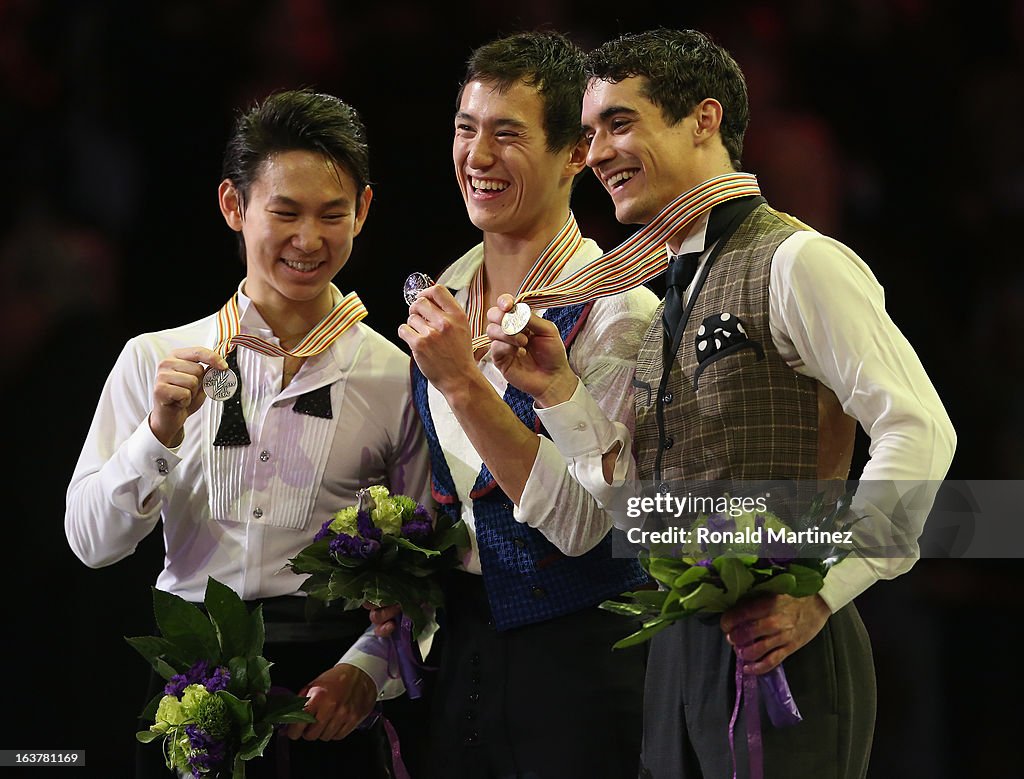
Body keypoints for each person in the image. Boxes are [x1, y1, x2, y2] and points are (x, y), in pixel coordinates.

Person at [485, 28, 956, 779]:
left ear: (704, 120)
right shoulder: (664, 290)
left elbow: (920, 428)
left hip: (786, 639)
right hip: (682, 642)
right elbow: (629, 505)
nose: (598, 153)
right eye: (588, 133)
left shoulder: (798, 261)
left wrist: (824, 592)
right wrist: (560, 394)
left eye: (620, 123)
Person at [65, 89, 430, 778]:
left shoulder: (395, 374)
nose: (309, 239)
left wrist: (367, 667)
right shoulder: (154, 359)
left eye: (332, 214)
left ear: (364, 211)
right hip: (190, 686)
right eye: (285, 212)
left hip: (328, 693)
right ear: (234, 207)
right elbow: (91, 542)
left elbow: (426, 565)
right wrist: (156, 434)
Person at [338, 31, 659, 778]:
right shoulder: (442, 294)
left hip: (582, 666)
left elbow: (585, 526)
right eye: (465, 129)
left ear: (575, 153)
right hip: (460, 663)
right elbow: (440, 503)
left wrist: (462, 383)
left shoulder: (620, 309)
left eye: (506, 134)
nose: (477, 157)